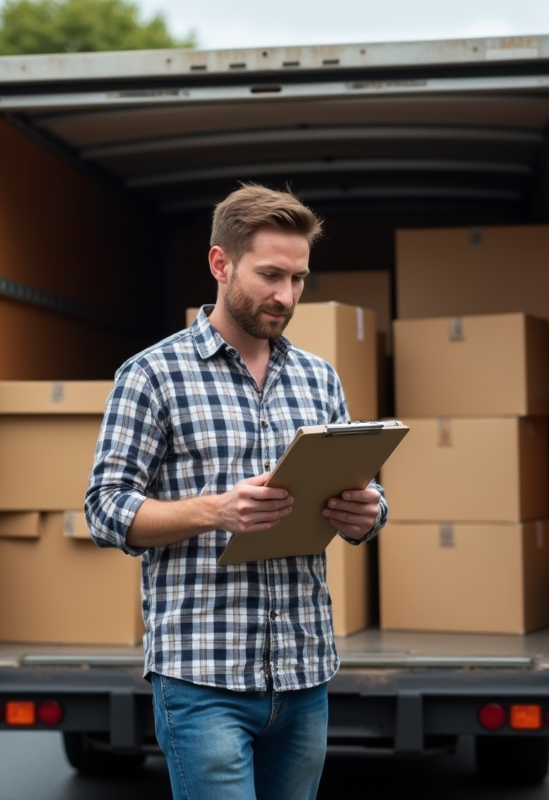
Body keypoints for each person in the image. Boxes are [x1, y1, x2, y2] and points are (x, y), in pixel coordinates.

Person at [84, 184, 388, 800]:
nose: (287, 296)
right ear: (220, 264)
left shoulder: (318, 377)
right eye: (271, 275)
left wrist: (369, 511)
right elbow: (104, 509)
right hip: (202, 679)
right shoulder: (151, 375)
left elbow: (363, 488)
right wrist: (216, 511)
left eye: (299, 279)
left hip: (304, 672)